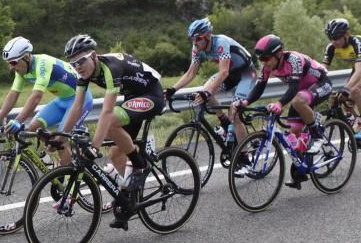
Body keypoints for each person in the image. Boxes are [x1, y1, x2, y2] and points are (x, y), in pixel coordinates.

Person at [63, 34, 164, 226]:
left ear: (94, 56)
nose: (78, 67)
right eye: (73, 64)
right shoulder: (83, 74)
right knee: (116, 153)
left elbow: (107, 112)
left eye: (81, 61)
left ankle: (140, 164)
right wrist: (62, 138)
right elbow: (76, 107)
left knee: (110, 122)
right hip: (133, 98)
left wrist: (94, 147)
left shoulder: (111, 68)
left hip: (152, 95)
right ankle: (130, 200)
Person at [233, 35, 333, 189]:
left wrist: (280, 103)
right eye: (260, 59)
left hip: (321, 84)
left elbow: (293, 88)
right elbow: (259, 86)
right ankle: (301, 170)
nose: (264, 63)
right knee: (294, 133)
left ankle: (317, 135)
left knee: (298, 101)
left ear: (278, 54)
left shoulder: (294, 60)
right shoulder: (268, 65)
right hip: (302, 91)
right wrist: (245, 102)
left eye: (266, 58)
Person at [0, 36, 92, 164]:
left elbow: (36, 97)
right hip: (62, 101)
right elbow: (13, 94)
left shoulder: (43, 63)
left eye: (13, 62)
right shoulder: (21, 70)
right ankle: (55, 164)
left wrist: (18, 121)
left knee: (61, 141)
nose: (11, 67)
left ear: (27, 57)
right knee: (32, 128)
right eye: (9, 63)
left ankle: (67, 180)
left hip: (81, 100)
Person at [164, 17, 256, 149]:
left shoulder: (221, 42)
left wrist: (207, 93)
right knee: (205, 89)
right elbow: (190, 73)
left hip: (245, 74)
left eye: (197, 38)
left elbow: (223, 72)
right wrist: (173, 89)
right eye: (192, 39)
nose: (194, 43)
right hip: (230, 74)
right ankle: (224, 122)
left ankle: (244, 157)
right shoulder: (196, 48)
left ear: (207, 35)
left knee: (234, 113)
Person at [321, 18, 361, 142]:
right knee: (344, 100)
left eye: (336, 38)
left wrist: (347, 88)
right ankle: (359, 121)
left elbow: (360, 71)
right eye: (331, 38)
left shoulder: (358, 43)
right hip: (357, 69)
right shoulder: (331, 47)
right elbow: (323, 69)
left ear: (346, 34)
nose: (334, 42)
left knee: (354, 90)